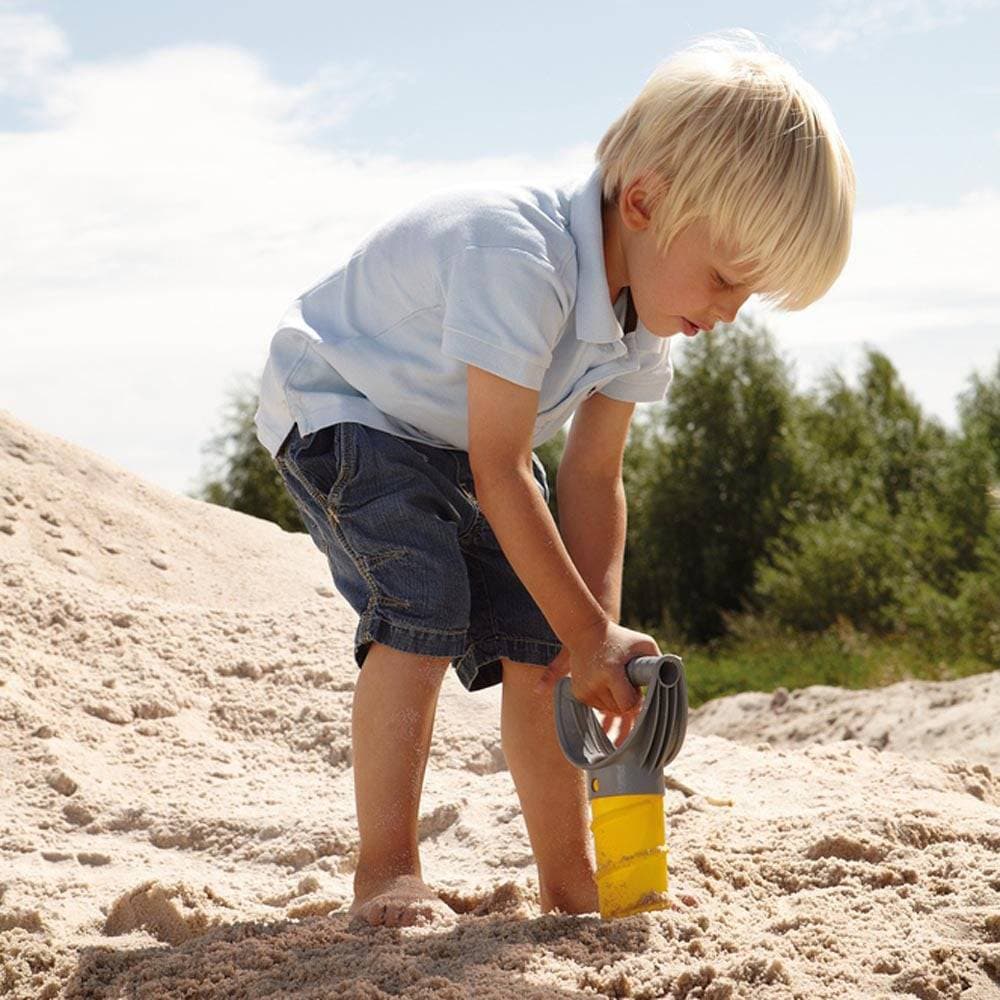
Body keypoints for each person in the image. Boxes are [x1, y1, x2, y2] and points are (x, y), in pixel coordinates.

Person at [254, 28, 855, 928]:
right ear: (645, 202)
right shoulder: (517, 258)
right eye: (727, 278)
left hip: (455, 436)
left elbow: (593, 477)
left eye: (748, 298)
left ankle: (573, 887)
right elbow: (502, 471)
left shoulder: (645, 320)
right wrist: (587, 634)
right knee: (424, 604)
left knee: (545, 645)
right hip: (347, 406)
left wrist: (591, 639)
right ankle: (385, 871)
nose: (728, 315)